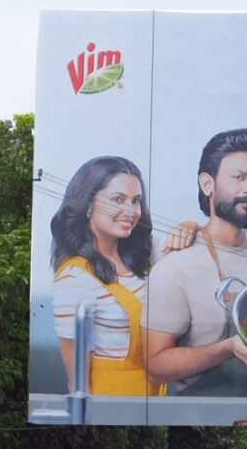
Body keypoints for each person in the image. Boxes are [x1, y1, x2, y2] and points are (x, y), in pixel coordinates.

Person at [143, 127, 247, 398]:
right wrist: (227, 348)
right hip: (201, 421)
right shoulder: (176, 265)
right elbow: (155, 367)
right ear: (207, 184)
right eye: (239, 177)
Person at [49, 156, 166, 398]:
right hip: (110, 410)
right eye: (117, 200)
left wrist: (188, 227)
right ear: (88, 203)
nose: (131, 211)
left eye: (136, 201)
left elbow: (197, 248)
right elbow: (78, 385)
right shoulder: (74, 279)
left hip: (153, 409)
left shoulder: (145, 254)